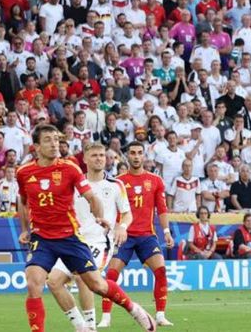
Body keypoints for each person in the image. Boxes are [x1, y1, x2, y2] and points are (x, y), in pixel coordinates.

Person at [16, 124, 154, 332]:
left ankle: (134, 309)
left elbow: (91, 197)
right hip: (41, 238)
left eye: (56, 139)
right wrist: (25, 229)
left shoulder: (70, 168)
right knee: (34, 282)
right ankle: (82, 327)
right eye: (48, 140)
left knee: (96, 285)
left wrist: (100, 216)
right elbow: (23, 200)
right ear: (35, 146)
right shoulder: (24, 172)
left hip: (70, 237)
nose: (54, 144)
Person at [45, 143, 132, 331]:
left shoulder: (116, 185)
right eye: (94, 155)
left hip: (100, 241)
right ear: (84, 159)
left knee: (82, 276)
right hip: (74, 240)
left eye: (102, 155)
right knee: (53, 281)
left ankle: (91, 327)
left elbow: (127, 213)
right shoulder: (74, 184)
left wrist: (122, 227)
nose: (99, 158)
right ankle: (81, 326)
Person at [101, 142, 174, 328]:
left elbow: (162, 209)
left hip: (147, 235)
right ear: (127, 156)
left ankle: (160, 315)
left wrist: (166, 232)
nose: (136, 156)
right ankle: (106, 317)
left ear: (144, 156)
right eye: (132, 153)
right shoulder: (118, 182)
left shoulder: (155, 181)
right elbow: (110, 209)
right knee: (111, 274)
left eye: (139, 153)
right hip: (124, 235)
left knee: (161, 270)